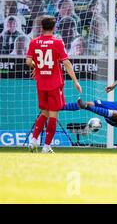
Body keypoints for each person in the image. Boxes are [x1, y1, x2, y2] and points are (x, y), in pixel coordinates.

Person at [26, 16, 82, 153]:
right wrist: (75, 81)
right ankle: (46, 146)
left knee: (44, 112)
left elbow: (28, 62)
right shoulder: (57, 42)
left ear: (41, 27)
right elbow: (67, 63)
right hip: (54, 84)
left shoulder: (34, 42)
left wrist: (37, 67)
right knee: (53, 115)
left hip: (41, 84)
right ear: (54, 27)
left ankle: (33, 140)